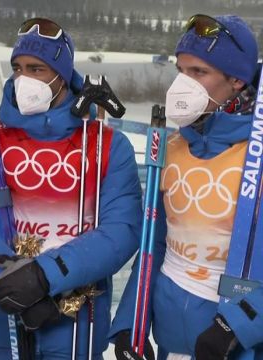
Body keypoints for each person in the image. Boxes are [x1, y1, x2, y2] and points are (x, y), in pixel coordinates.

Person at [0, 17, 142, 359]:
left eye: (36, 69)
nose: (24, 79)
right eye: (18, 68)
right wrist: (8, 277)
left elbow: (121, 231)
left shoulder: (108, 145)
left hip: (76, 318)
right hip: (3, 311)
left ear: (61, 76)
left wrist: (44, 275)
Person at [110, 14, 263, 360]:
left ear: (237, 79)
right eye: (181, 70)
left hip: (233, 343)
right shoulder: (175, 146)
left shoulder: (257, 153)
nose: (183, 84)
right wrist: (129, 324)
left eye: (199, 72)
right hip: (170, 338)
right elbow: (156, 244)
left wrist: (238, 325)